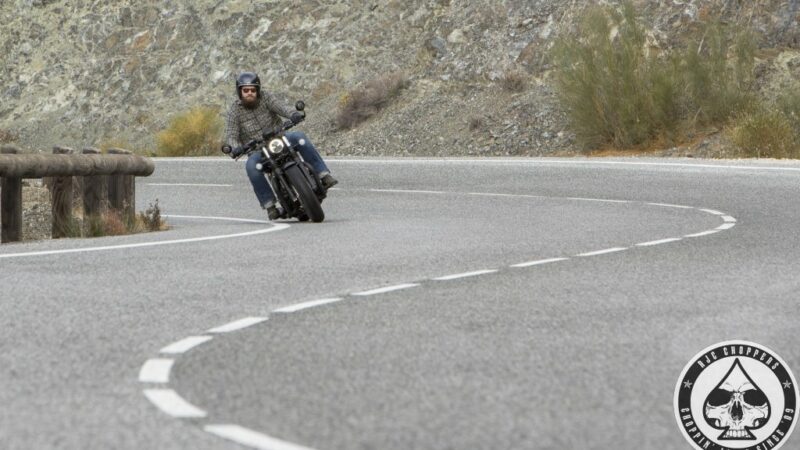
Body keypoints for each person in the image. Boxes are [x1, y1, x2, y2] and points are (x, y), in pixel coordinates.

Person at [221, 71, 338, 220]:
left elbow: (281, 107)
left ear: (257, 90)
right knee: (251, 166)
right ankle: (269, 205)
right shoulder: (234, 111)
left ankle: (324, 175)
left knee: (300, 137)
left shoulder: (266, 98)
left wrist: (293, 114)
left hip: (279, 138)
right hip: (258, 149)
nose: (249, 93)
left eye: (252, 90)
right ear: (240, 91)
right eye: (246, 90)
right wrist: (235, 147)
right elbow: (232, 135)